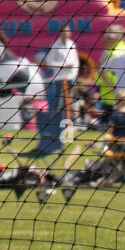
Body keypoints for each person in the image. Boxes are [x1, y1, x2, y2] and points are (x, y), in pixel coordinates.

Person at [35, 26, 80, 155]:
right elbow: (49, 62)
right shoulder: (55, 45)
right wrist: (63, 66)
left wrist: (73, 73)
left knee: (69, 103)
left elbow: (75, 62)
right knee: (59, 103)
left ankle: (69, 126)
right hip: (60, 78)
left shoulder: (72, 44)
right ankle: (59, 127)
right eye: (64, 31)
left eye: (68, 31)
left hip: (70, 78)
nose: (66, 33)